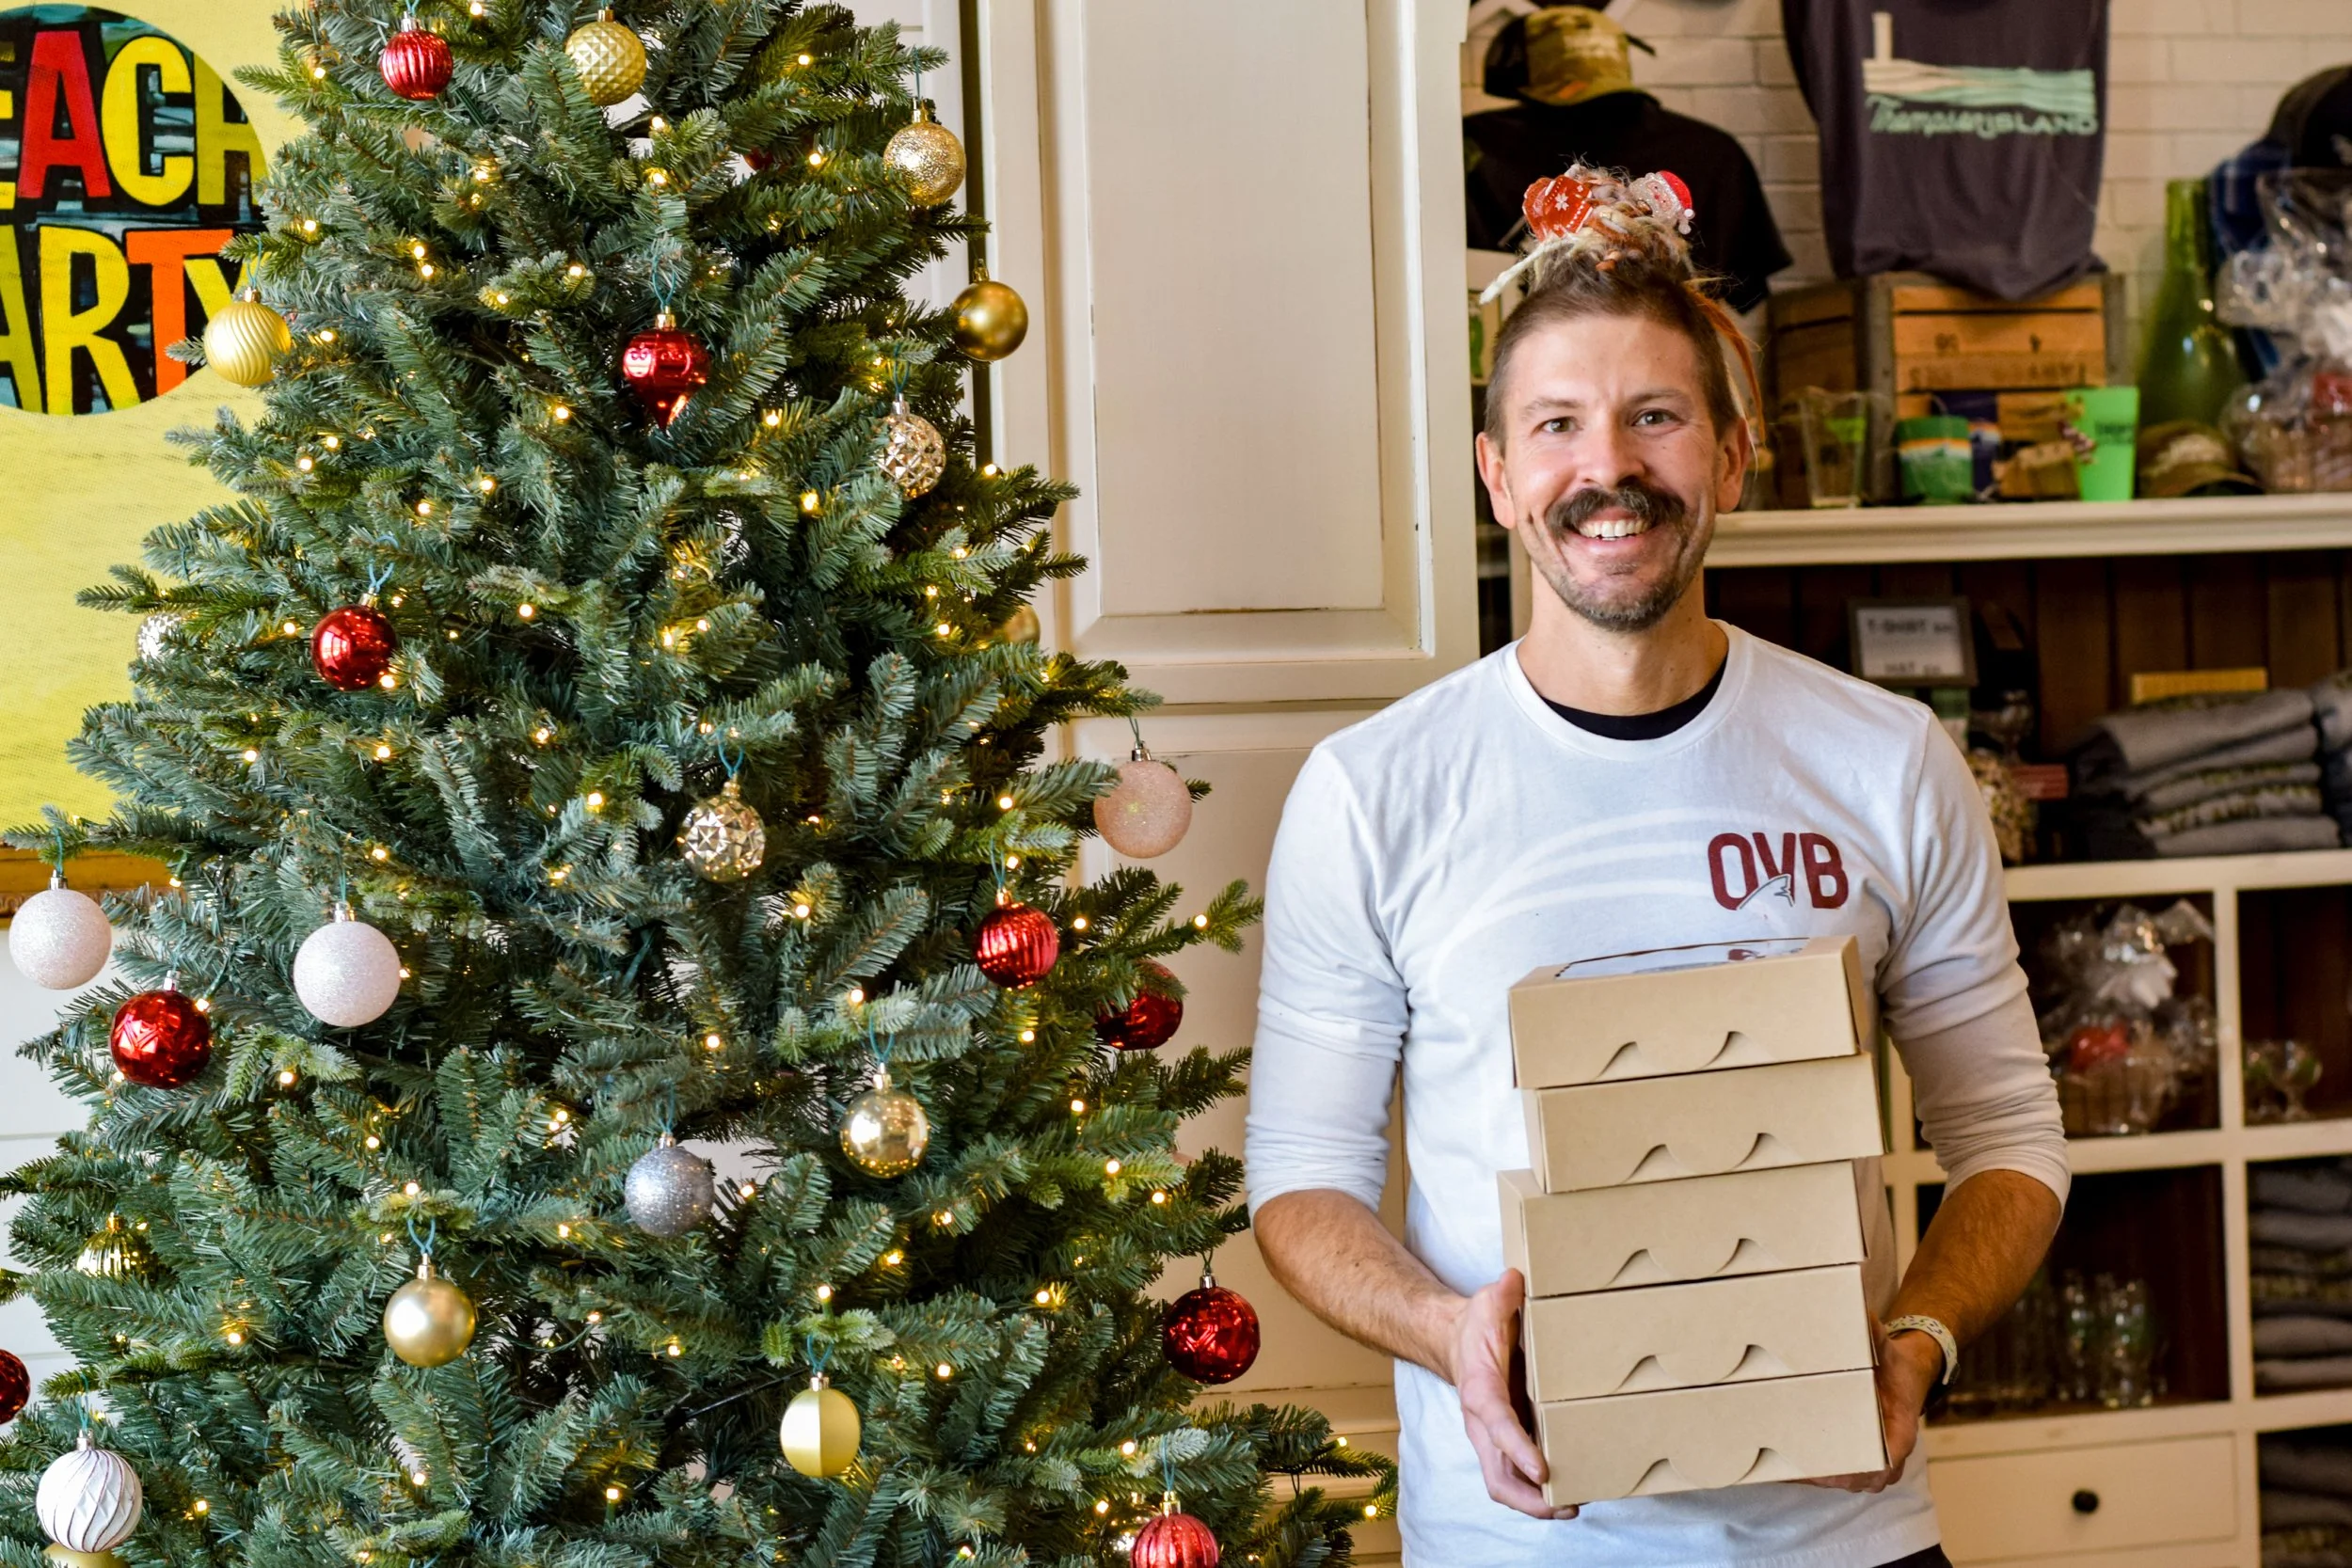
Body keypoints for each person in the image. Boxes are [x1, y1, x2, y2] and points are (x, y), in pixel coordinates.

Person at [1245, 167, 2068, 1568]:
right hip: (1519, 1545)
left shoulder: (1886, 760)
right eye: (1557, 423)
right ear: (1497, 473)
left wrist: (1921, 1338)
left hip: (1846, 1539)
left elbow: (2009, 1136)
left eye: (1655, 417)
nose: (1607, 468)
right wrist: (1448, 1333)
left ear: (1732, 458)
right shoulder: (1373, 792)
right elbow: (1302, 1181)